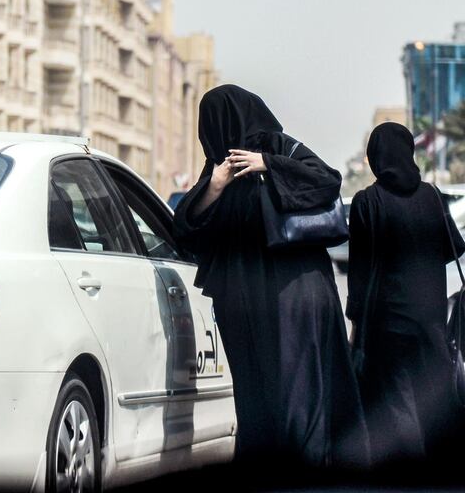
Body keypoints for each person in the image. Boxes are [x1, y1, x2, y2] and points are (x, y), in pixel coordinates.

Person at [174, 85, 369, 469]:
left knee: (299, 385)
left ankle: (309, 466)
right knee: (254, 386)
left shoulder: (275, 144)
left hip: (293, 289)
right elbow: (185, 230)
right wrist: (214, 188)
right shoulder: (216, 167)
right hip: (242, 296)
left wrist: (268, 163)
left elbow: (327, 180)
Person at [347, 122, 465, 467]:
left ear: (374, 159)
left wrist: (356, 324)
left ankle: (408, 471)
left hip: (387, 324)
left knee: (395, 402)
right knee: (433, 397)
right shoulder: (431, 195)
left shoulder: (367, 201)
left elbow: (360, 271)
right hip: (430, 321)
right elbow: (454, 247)